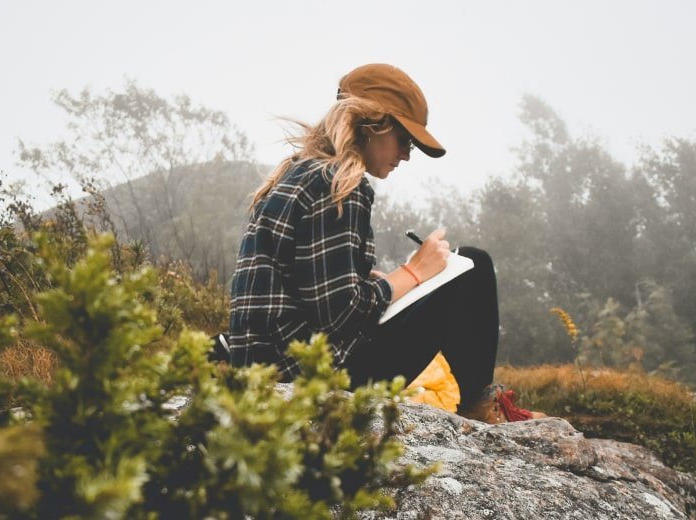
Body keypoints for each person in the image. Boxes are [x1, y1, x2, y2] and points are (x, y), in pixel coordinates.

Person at [227, 63, 541, 423]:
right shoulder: (341, 184)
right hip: (314, 376)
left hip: (269, 368)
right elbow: (340, 314)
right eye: (404, 140)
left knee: (450, 270)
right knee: (473, 266)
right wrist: (414, 272)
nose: (407, 155)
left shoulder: (296, 174)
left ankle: (477, 402)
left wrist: (380, 282)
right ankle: (477, 404)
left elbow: (310, 296)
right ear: (371, 123)